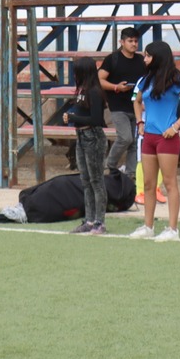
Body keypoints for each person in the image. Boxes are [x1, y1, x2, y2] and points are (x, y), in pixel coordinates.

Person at [128, 40, 180, 241]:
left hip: (167, 138)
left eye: (148, 55)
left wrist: (175, 127)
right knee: (149, 184)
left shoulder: (176, 79)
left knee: (169, 183)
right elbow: (136, 101)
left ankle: (172, 228)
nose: (145, 59)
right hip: (148, 137)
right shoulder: (144, 80)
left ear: (158, 57)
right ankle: (147, 226)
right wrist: (139, 122)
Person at [65, 56, 109, 235]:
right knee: (86, 180)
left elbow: (97, 120)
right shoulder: (83, 90)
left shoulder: (94, 92)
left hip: (93, 137)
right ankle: (89, 220)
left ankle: (100, 221)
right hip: (82, 136)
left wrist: (74, 118)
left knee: (96, 180)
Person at [99, 27, 146, 180]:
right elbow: (99, 80)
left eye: (136, 41)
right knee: (125, 138)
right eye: (130, 41)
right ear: (122, 42)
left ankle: (130, 175)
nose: (134, 44)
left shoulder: (140, 60)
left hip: (136, 106)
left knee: (134, 142)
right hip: (117, 106)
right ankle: (109, 166)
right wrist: (116, 87)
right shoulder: (113, 59)